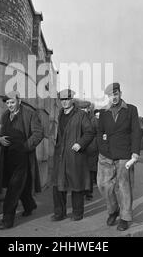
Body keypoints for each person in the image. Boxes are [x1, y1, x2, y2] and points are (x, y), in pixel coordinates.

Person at [0, 91, 44, 229]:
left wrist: (25, 147)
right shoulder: (5, 116)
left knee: (13, 188)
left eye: (12, 102)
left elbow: (39, 133)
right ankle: (29, 205)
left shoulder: (30, 114)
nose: (9, 105)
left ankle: (7, 219)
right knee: (21, 186)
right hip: (7, 157)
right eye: (8, 103)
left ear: (19, 101)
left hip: (23, 158)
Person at [97, 82, 141, 231]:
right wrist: (103, 150)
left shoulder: (131, 110)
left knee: (123, 186)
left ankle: (125, 217)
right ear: (108, 97)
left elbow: (136, 132)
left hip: (124, 154)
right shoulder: (103, 112)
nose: (113, 97)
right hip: (106, 154)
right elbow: (99, 133)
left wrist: (135, 152)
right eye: (110, 95)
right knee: (103, 185)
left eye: (116, 94)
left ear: (120, 94)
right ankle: (113, 210)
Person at [51, 89, 94, 221]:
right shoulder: (60, 114)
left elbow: (89, 132)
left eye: (67, 99)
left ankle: (77, 213)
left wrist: (80, 144)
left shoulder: (81, 115)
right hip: (60, 154)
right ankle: (59, 213)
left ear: (72, 100)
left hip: (75, 154)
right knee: (57, 184)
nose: (65, 102)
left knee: (77, 184)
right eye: (62, 100)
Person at [85, 109, 100, 201]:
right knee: (90, 172)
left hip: (91, 148)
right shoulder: (94, 121)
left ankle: (88, 192)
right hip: (93, 148)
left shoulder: (90, 120)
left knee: (90, 172)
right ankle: (88, 192)